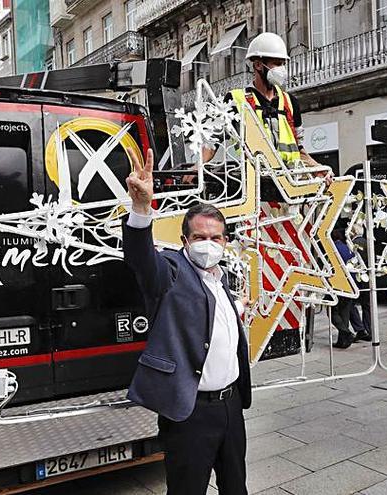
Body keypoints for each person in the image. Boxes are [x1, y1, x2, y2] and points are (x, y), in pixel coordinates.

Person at [124, 149, 252, 495]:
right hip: (190, 412)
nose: (207, 245)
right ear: (184, 241)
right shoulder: (172, 271)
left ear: (226, 242)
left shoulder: (221, 278)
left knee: (235, 488)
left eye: (215, 238)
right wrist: (141, 209)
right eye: (199, 238)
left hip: (230, 408)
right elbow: (141, 260)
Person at [193, 32, 330, 185]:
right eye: (277, 64)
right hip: (254, 186)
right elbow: (212, 141)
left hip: (289, 184)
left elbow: (299, 151)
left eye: (283, 64)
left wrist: (317, 167)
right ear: (258, 65)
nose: (282, 69)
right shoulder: (236, 100)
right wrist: (198, 165)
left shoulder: (290, 102)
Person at [331, 227, 357, 349]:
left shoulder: (333, 248)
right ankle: (343, 341)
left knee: (333, 313)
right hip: (351, 283)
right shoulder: (348, 247)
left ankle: (347, 333)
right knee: (345, 313)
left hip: (338, 284)